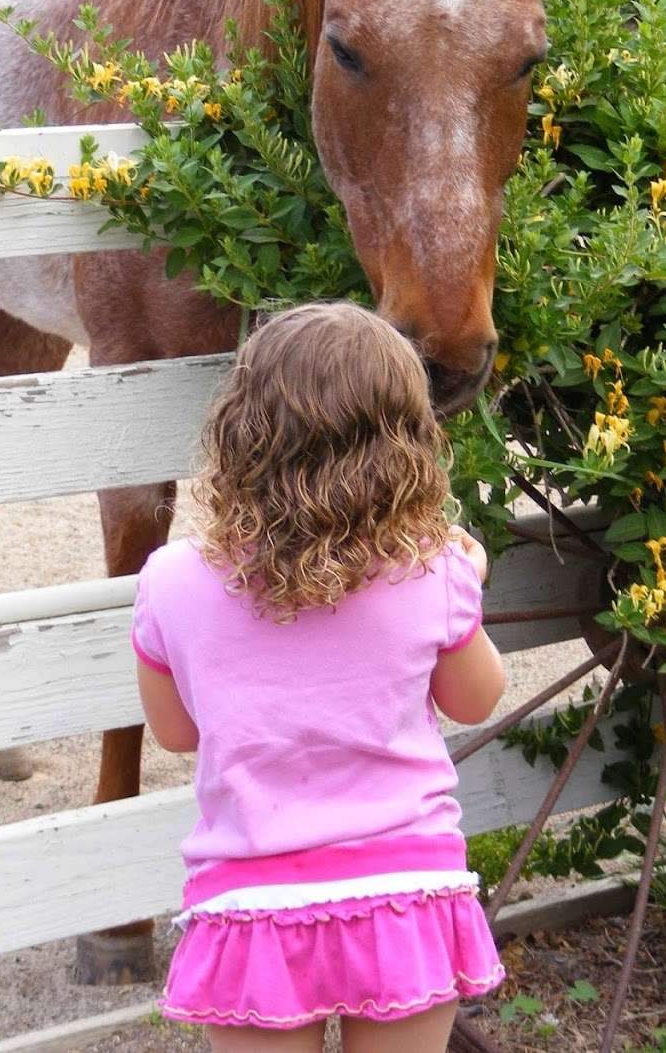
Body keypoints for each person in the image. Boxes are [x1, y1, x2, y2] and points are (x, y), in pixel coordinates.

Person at [132, 302, 506, 1052]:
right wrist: (469, 581)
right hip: (404, 894)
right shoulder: (432, 569)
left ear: (239, 430)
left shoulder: (171, 578)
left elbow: (175, 732)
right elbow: (476, 698)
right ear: (404, 442)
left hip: (252, 902)